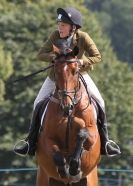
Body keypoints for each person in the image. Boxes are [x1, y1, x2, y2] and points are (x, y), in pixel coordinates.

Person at [14, 7, 121, 157]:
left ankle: (106, 142)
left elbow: (97, 56)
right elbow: (41, 54)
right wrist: (55, 58)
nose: (59, 28)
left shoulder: (83, 37)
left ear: (73, 27)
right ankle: (30, 143)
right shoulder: (55, 36)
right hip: (55, 77)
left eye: (63, 25)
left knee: (100, 102)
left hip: (78, 74)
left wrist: (81, 61)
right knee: (37, 102)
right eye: (59, 24)